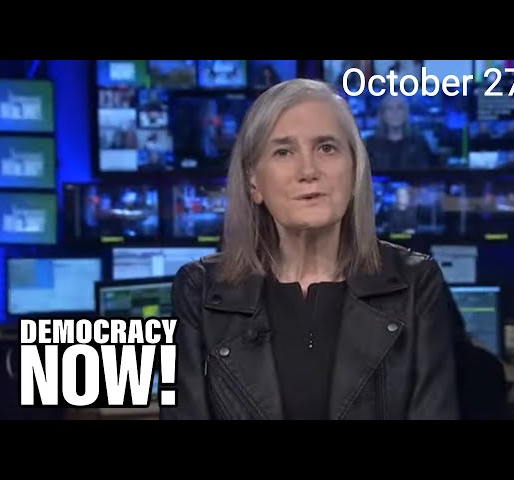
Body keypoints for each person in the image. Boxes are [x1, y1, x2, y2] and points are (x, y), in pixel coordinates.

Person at [160, 78, 460, 420]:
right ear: (253, 182)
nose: (308, 171)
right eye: (283, 152)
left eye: (327, 148)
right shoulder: (199, 291)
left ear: (355, 169)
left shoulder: (415, 284)